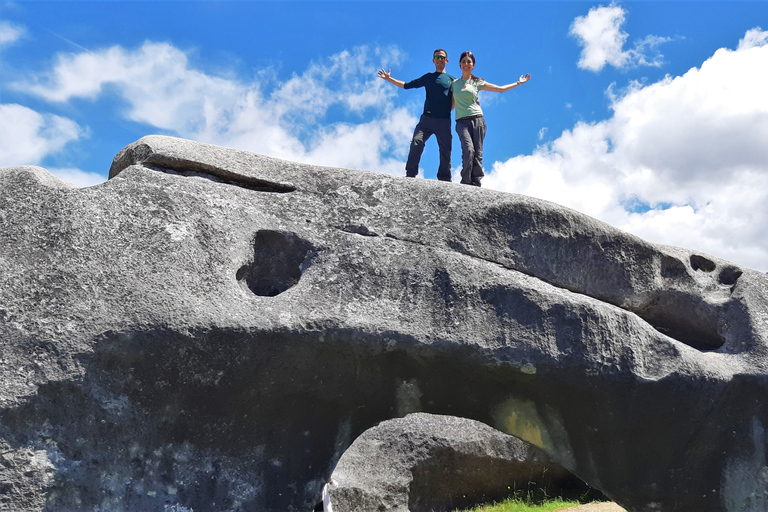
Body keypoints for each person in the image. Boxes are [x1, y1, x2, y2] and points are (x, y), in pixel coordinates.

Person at [451, 51, 531, 186]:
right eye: (464, 61)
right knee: (468, 150)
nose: (466, 64)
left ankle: (476, 182)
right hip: (461, 122)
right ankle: (465, 182)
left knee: (477, 153)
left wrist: (518, 83)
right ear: (460, 64)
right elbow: (452, 105)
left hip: (478, 120)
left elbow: (500, 89)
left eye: (469, 62)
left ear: (473, 65)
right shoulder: (454, 84)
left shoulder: (477, 82)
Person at [378, 49, 455, 181]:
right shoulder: (428, 77)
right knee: (416, 142)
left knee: (446, 149)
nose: (440, 59)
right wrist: (388, 78)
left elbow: (461, 96)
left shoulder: (452, 80)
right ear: (433, 61)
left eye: (442, 57)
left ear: (447, 61)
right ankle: (410, 175)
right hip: (426, 120)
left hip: (443, 120)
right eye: (437, 57)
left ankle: (444, 179)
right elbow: (407, 85)